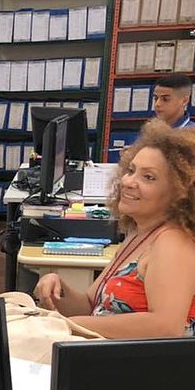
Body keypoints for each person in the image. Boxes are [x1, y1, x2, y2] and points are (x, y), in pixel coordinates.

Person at [34, 121, 195, 337]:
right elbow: (91, 305)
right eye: (131, 170)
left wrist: (69, 325)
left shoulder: (173, 242)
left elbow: (166, 327)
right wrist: (59, 290)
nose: (128, 182)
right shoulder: (139, 235)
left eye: (148, 177)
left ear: (180, 192)